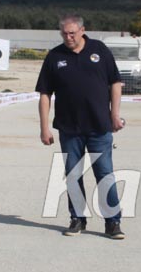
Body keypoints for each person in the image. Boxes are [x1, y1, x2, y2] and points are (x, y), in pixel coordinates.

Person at [36, 14, 125, 239]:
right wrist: (44, 128)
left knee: (104, 174)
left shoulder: (100, 50)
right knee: (73, 175)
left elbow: (115, 82)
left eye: (72, 33)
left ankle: (112, 222)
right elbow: (45, 94)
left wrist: (115, 115)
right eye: (64, 33)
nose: (68, 37)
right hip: (69, 129)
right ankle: (77, 219)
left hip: (99, 126)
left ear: (82, 30)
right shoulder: (55, 56)